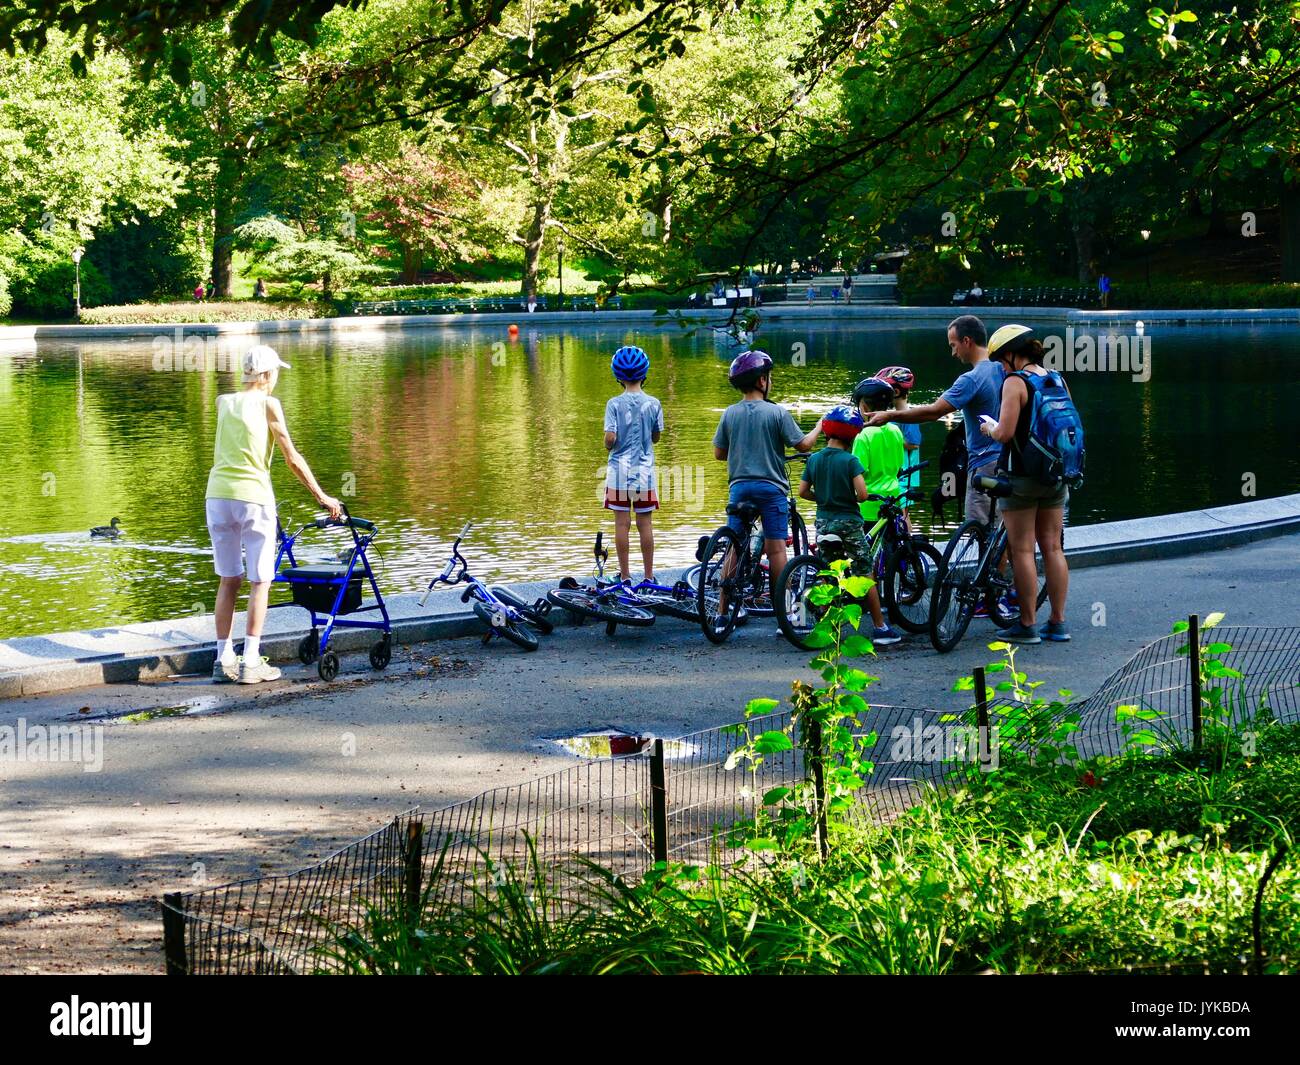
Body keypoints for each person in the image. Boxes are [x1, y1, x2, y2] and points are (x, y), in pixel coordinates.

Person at [206, 345, 342, 684]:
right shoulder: (270, 404)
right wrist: (322, 497)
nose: (276, 378)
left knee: (228, 579)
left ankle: (222, 659)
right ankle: (250, 661)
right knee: (260, 580)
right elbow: (291, 458)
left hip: (217, 496)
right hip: (253, 498)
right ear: (267, 375)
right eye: (276, 372)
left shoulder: (223, 403)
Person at [980, 325, 1073, 644]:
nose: (1001, 367)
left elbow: (1005, 433)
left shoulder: (1015, 383)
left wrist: (989, 428)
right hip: (1056, 474)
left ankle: (1027, 623)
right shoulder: (1056, 378)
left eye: (1000, 360)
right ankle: (1058, 623)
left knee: (1021, 549)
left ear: (1012, 352)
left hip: (1022, 476)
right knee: (1052, 546)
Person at [712, 350, 821, 618]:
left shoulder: (729, 413)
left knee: (734, 548)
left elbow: (719, 453)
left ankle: (722, 612)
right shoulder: (776, 412)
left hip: (739, 489)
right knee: (776, 550)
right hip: (771, 489)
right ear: (762, 381)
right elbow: (804, 445)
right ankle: (783, 613)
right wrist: (821, 425)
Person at [865, 315, 1003, 527]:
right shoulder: (1004, 370)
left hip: (983, 464)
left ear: (967, 341)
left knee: (982, 533)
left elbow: (933, 412)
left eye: (953, 345)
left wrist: (890, 415)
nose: (953, 352)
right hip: (1009, 463)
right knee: (1004, 533)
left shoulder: (971, 379)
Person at [799, 405, 901, 646]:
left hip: (824, 523)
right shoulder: (850, 460)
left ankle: (829, 627)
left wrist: (823, 498)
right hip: (850, 524)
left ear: (826, 432)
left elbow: (803, 492)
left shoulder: (814, 459)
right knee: (865, 572)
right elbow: (863, 494)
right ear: (853, 436)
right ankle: (880, 627)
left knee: (830, 573)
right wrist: (849, 498)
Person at [604, 345, 664, 583]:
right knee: (644, 523)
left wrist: (610, 444)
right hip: (644, 474)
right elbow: (656, 437)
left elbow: (610, 438)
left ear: (618, 376)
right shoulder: (654, 403)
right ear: (644, 374)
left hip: (618, 473)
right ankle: (649, 576)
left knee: (622, 523)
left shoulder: (613, 404)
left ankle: (626, 575)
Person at [873, 366, 921, 531]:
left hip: (905, 474)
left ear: (896, 392)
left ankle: (908, 548)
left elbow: (914, 443)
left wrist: (890, 437)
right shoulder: (893, 417)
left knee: (903, 513)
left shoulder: (909, 415)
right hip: (894, 473)